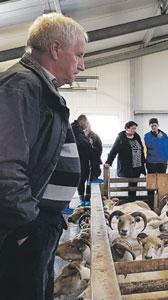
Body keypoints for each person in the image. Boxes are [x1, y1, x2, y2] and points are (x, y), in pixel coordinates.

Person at [0, 13, 87, 300]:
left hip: (40, 222)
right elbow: (7, 163)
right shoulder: (21, 87)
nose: (82, 65)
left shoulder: (40, 88)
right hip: (25, 227)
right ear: (55, 49)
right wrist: (25, 225)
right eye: (78, 55)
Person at [105, 121, 146, 202]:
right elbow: (114, 150)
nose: (134, 130)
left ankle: (133, 201)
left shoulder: (137, 137)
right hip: (127, 166)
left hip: (137, 166)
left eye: (135, 128)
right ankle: (127, 202)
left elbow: (141, 150)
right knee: (127, 185)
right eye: (132, 128)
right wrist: (108, 162)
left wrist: (143, 163)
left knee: (134, 185)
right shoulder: (121, 138)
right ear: (127, 128)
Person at [71, 114, 93, 202]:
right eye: (86, 122)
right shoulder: (76, 129)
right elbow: (82, 143)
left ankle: (82, 200)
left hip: (81, 160)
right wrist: (89, 143)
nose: (87, 125)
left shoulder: (77, 129)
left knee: (81, 180)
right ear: (82, 121)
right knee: (79, 181)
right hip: (78, 160)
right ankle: (81, 200)